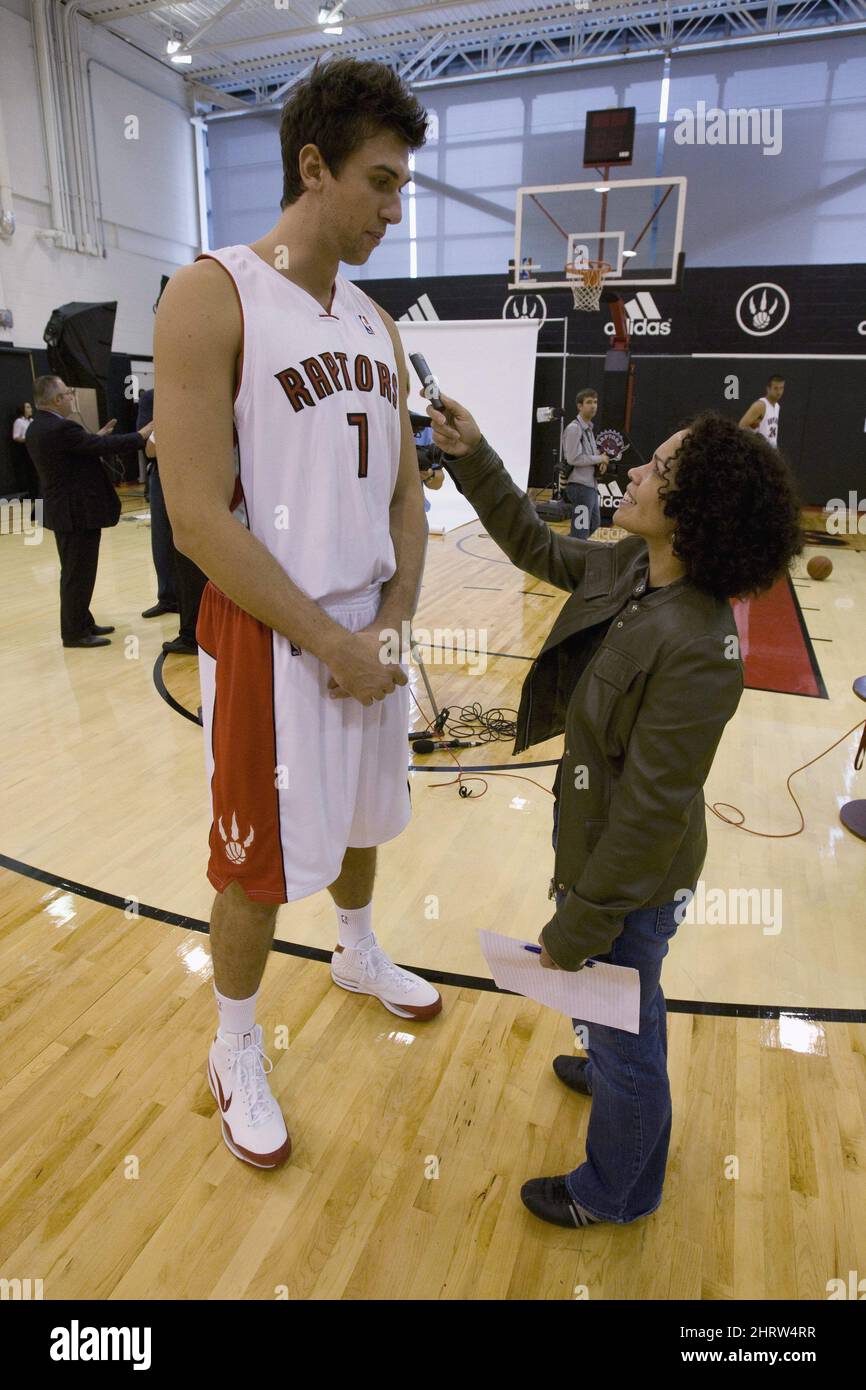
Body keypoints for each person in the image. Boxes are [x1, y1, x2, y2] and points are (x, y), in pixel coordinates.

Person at [154, 57, 439, 1171]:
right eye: (377, 181)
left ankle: (358, 951)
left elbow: (410, 496)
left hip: (366, 622)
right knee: (254, 866)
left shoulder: (377, 324)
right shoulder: (211, 291)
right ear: (311, 167)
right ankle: (234, 1044)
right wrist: (329, 639)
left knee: (366, 816)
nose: (391, 208)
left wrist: (396, 619)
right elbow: (191, 518)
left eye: (402, 186)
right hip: (271, 630)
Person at [427, 391, 803, 1228]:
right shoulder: (633, 570)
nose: (632, 470)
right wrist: (475, 454)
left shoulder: (701, 647)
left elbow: (651, 813)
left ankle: (615, 1193)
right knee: (626, 1019)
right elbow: (533, 544)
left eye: (657, 467)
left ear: (689, 510)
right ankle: (605, 1061)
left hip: (632, 881)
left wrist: (582, 923)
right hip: (596, 856)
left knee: (634, 1041)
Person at [24, 376, 153, 647]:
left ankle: (82, 621)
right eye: (68, 393)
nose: (71, 397)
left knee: (76, 571)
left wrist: (94, 438)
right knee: (77, 573)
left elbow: (75, 451)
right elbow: (100, 449)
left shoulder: (40, 426)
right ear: (57, 400)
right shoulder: (62, 429)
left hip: (64, 511)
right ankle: (74, 633)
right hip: (75, 513)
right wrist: (141, 435)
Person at [561, 388, 609, 539]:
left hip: (590, 486)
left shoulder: (588, 429)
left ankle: (565, 547)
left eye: (595, 402)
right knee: (580, 530)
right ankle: (571, 556)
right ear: (579, 406)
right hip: (580, 486)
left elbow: (589, 455)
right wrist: (599, 459)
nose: (593, 406)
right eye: (589, 402)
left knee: (594, 524)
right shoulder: (574, 428)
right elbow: (573, 458)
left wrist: (600, 462)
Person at [739, 374, 784, 446]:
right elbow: (741, 427)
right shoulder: (760, 405)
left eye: (781, 388)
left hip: (771, 452)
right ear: (768, 389)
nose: (779, 392)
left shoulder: (777, 406)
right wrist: (754, 439)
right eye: (775, 388)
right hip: (759, 452)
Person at [11, 402, 39, 506]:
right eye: (27, 407)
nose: (30, 408)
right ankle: (32, 494)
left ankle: (37, 492)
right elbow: (16, 436)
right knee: (30, 471)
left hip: (34, 447)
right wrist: (28, 439)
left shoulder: (32, 421)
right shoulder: (19, 421)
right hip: (25, 449)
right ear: (22, 409)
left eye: (30, 407)